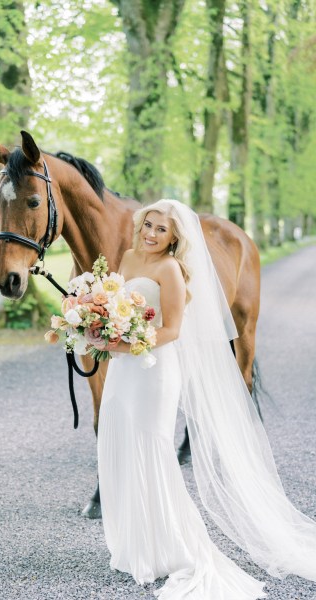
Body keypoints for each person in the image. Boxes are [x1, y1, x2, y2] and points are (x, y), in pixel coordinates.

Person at [97, 200, 316, 599]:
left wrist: (124, 343)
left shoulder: (171, 270)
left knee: (153, 450)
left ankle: (173, 548)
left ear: (175, 238)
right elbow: (117, 308)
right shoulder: (127, 258)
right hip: (122, 368)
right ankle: (134, 544)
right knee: (122, 444)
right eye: (148, 224)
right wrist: (94, 328)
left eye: (161, 230)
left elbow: (174, 330)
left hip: (154, 370)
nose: (151, 233)